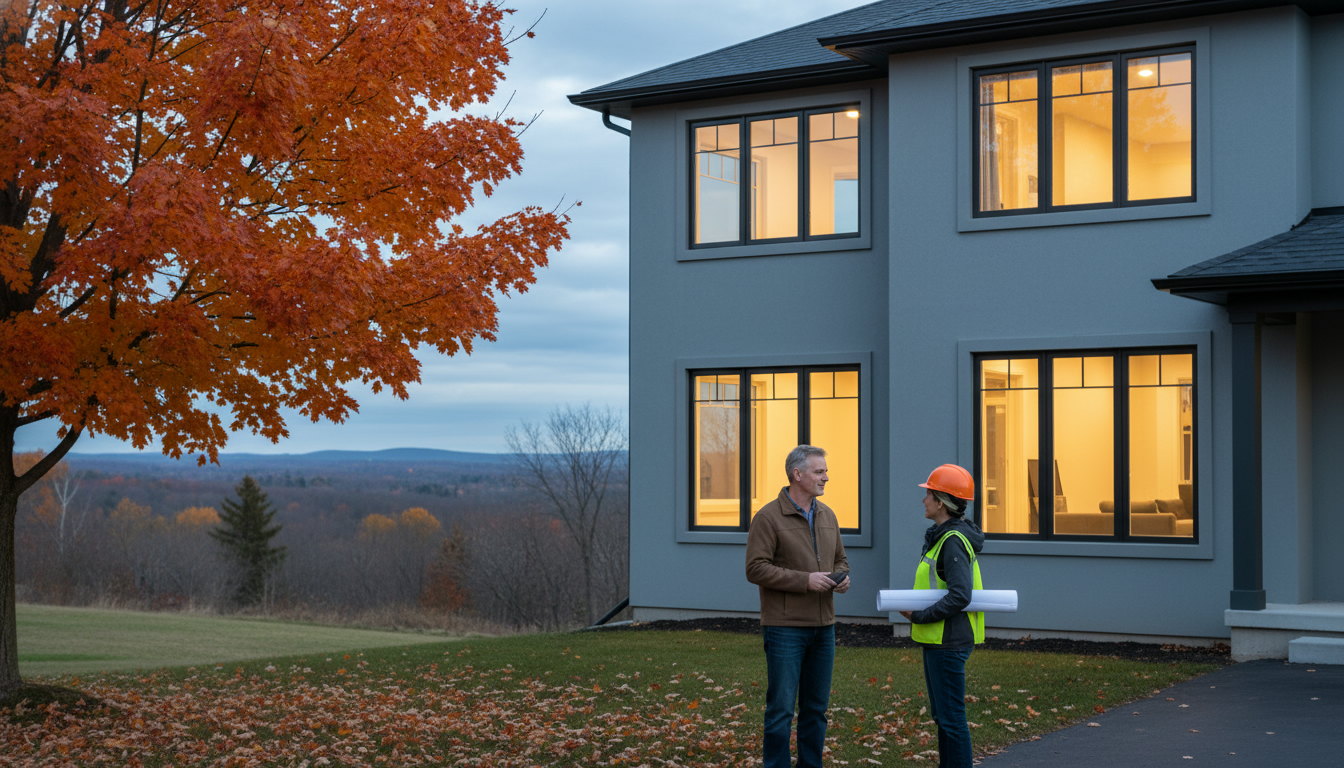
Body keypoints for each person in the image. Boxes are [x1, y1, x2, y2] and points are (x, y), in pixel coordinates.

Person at [745, 445, 850, 768]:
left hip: (824, 628)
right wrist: (805, 580)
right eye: (819, 472)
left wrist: (843, 578)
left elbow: (840, 560)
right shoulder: (767, 518)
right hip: (785, 629)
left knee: (816, 710)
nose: (826, 478)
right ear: (798, 474)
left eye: (825, 471)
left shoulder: (828, 515)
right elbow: (755, 569)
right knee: (781, 710)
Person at [899, 464, 985, 768]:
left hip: (948, 641)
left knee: (951, 719)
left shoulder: (952, 541)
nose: (923, 500)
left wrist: (920, 616)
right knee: (944, 717)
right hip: (941, 641)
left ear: (941, 502)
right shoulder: (944, 537)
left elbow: (960, 595)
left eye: (928, 495)